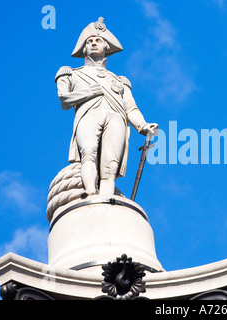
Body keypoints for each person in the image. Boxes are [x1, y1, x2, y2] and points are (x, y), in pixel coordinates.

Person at [55, 17, 158, 196]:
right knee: (88, 151)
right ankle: (90, 193)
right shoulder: (70, 73)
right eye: (90, 41)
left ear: (106, 48)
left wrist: (142, 126)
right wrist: (91, 92)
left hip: (116, 117)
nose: (94, 43)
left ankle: (107, 198)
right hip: (88, 114)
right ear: (84, 49)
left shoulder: (120, 80)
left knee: (110, 164)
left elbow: (130, 108)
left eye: (98, 40)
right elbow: (65, 101)